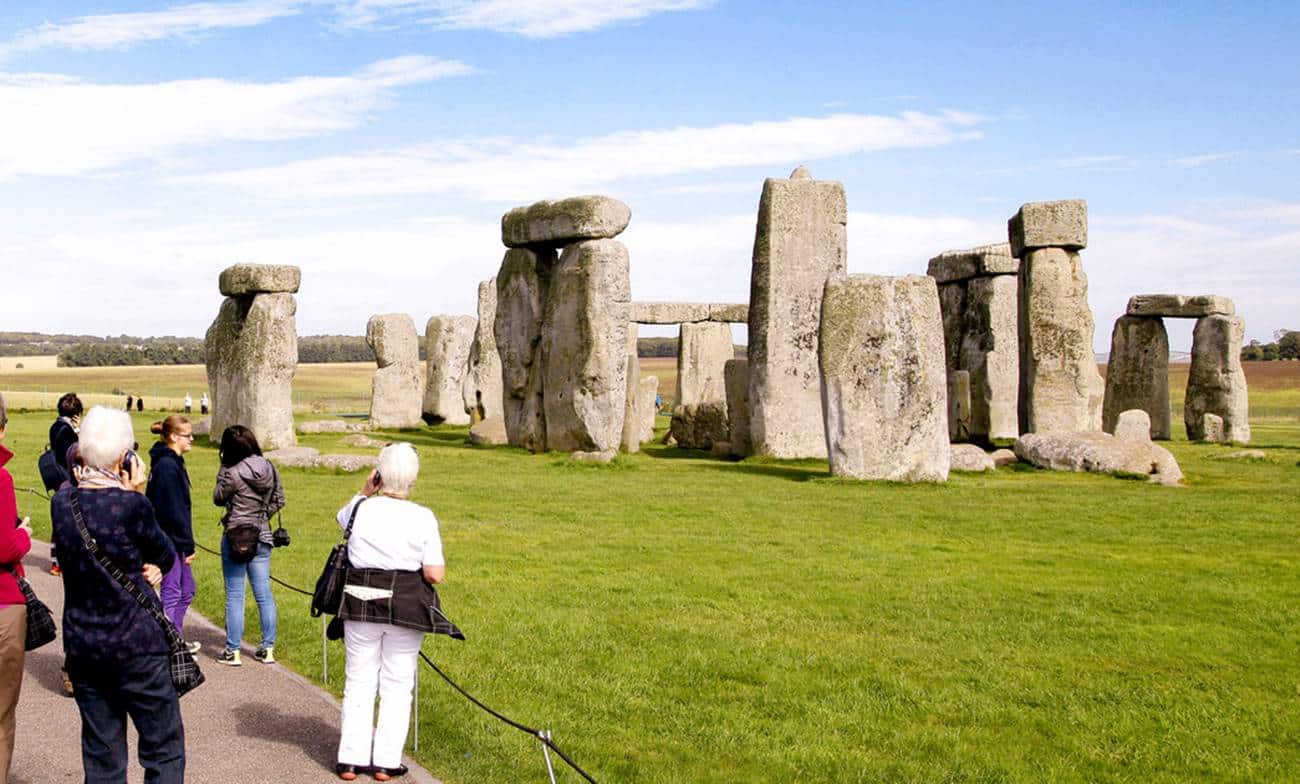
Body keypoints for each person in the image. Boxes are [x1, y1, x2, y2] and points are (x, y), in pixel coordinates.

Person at [49, 406, 184, 783]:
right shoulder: (132, 505)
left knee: (103, 757)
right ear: (126, 455)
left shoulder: (62, 505)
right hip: (138, 645)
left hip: (86, 647)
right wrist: (136, 490)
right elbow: (163, 552)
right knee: (163, 750)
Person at [334, 443, 459, 782]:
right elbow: (434, 573)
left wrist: (364, 491)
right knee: (397, 683)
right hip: (404, 604)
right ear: (413, 478)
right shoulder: (422, 517)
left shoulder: (360, 509)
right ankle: (386, 761)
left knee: (359, 680)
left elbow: (341, 518)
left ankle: (350, 759)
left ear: (379, 474)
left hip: (359, 601)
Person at [212, 425, 283, 666]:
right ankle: (268, 647)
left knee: (235, 595)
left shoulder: (232, 472)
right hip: (262, 534)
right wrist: (261, 517)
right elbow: (279, 500)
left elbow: (218, 498)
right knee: (264, 594)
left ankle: (233, 651)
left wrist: (222, 467)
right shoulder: (270, 468)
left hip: (235, 536)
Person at [0, 393, 34, 783]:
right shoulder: (1, 477)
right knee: (1, 710)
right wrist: (23, 535)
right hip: (2, 602)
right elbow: (5, 548)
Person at [145, 416, 199, 653]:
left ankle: (174, 638)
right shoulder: (167, 466)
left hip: (176, 538)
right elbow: (172, 510)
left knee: (187, 590)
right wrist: (187, 544)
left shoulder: (173, 462)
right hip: (169, 539)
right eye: (187, 435)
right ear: (174, 437)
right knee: (173, 590)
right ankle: (169, 645)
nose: (192, 440)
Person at [49, 393, 83, 578]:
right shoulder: (67, 430)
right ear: (76, 413)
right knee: (71, 520)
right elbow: (74, 454)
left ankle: (56, 562)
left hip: (58, 479)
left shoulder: (55, 426)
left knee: (59, 518)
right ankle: (63, 561)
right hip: (68, 479)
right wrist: (79, 432)